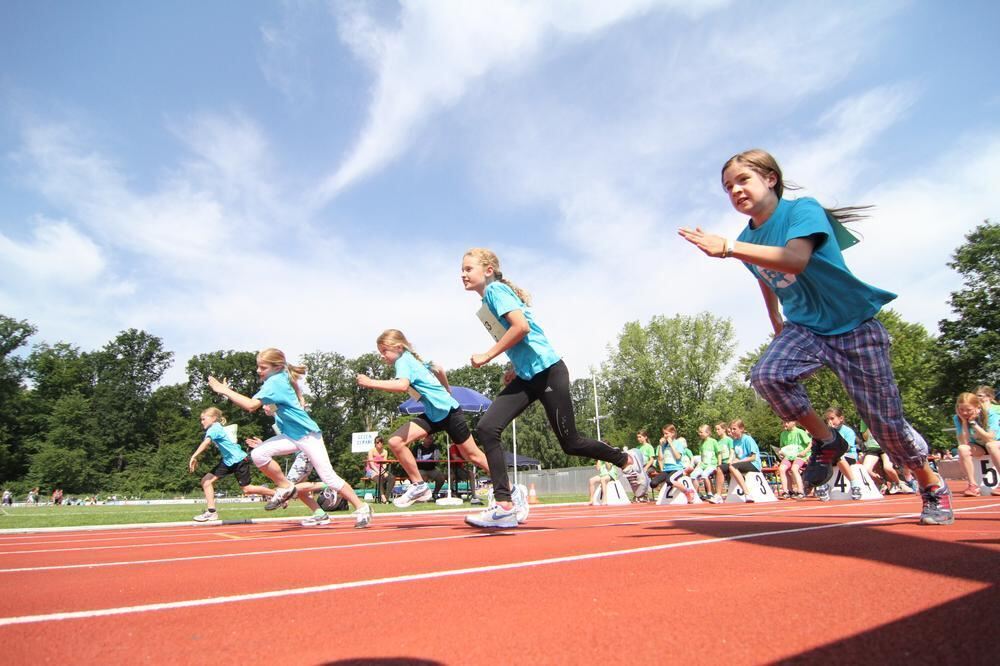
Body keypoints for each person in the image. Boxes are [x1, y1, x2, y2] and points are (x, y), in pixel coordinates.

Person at [678, 149, 953, 525]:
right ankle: (828, 441)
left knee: (887, 427)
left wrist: (727, 247)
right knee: (767, 375)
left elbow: (794, 260)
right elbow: (765, 275)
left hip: (854, 326)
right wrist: (774, 316)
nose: (735, 191)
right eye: (728, 187)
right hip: (806, 327)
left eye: (743, 180)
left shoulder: (802, 210)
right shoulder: (747, 239)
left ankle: (931, 484)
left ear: (770, 178)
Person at [461, 248, 647, 528]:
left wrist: (487, 355)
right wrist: (514, 367)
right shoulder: (489, 302)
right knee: (488, 427)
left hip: (548, 372)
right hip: (528, 376)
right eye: (461, 270)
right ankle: (504, 504)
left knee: (570, 442)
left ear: (487, 270)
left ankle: (625, 460)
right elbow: (524, 338)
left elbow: (521, 327)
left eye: (468, 269)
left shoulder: (495, 291)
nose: (462, 275)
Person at [207, 347, 371, 528]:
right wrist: (299, 397)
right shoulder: (281, 375)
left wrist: (224, 390)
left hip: (308, 435)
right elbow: (292, 383)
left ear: (276, 367)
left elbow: (251, 405)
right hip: (291, 435)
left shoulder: (274, 382)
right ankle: (286, 486)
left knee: (329, 477)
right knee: (258, 454)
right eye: (258, 367)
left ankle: (362, 507)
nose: (258, 371)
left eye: (263, 368)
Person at [356, 329, 491, 510]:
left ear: (397, 347)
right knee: (396, 442)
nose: (382, 356)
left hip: (449, 413)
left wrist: (370, 382)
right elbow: (439, 368)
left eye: (384, 351)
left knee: (472, 455)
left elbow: (402, 385)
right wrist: (446, 388)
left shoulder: (403, 361)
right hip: (434, 415)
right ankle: (419, 486)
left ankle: (507, 486)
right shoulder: (414, 359)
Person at [188, 406, 278, 522]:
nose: (202, 422)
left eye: (204, 419)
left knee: (247, 489)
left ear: (214, 418)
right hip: (228, 461)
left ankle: (277, 493)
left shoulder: (214, 429)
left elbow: (206, 443)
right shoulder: (217, 427)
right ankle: (211, 512)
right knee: (206, 481)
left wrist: (194, 456)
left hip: (239, 459)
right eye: (201, 419)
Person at [954, 392, 1000, 497]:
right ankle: (972, 485)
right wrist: (964, 423)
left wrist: (973, 424)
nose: (965, 413)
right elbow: (964, 442)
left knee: (991, 446)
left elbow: (990, 438)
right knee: (962, 449)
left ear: (977, 407)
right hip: (979, 447)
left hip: (996, 443)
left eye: (968, 410)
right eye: (961, 409)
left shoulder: (991, 414)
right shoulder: (958, 418)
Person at [858, 420, 910, 494]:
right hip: (872, 449)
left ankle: (900, 484)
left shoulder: (882, 417)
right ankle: (882, 483)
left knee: (887, 468)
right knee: (865, 470)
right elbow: (865, 437)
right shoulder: (864, 420)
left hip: (885, 448)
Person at [821, 408, 862, 501]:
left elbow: (847, 448)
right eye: (827, 419)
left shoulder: (848, 431)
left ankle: (854, 484)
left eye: (832, 418)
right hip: (833, 456)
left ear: (841, 419)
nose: (829, 421)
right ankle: (824, 485)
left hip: (849, 455)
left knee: (839, 456)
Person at [650, 424, 696, 502]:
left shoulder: (678, 443)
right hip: (666, 469)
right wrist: (660, 446)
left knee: (669, 480)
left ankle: (688, 491)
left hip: (677, 468)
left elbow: (678, 457)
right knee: (653, 483)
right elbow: (660, 459)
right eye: (663, 434)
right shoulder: (664, 445)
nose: (664, 436)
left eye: (666, 433)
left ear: (673, 433)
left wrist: (671, 444)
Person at [727, 420, 762, 502]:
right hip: (742, 463)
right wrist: (735, 460)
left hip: (753, 464)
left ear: (741, 429)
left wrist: (738, 461)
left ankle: (747, 493)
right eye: (731, 429)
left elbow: (753, 457)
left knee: (732, 467)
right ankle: (718, 495)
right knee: (720, 468)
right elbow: (739, 457)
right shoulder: (734, 441)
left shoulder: (748, 439)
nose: (732, 431)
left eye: (734, 429)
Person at [777, 420, 810, 499]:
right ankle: (787, 491)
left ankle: (800, 491)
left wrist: (804, 452)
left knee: (794, 469)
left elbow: (810, 443)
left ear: (794, 422)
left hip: (800, 456)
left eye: (787, 422)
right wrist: (781, 453)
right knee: (781, 469)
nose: (785, 424)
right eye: (783, 422)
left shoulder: (800, 432)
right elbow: (782, 447)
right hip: (789, 456)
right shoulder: (783, 434)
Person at [690, 424, 721, 503]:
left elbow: (719, 453)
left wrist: (719, 465)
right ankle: (697, 493)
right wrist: (698, 465)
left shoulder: (713, 441)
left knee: (704, 475)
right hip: (703, 464)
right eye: (699, 432)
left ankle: (710, 493)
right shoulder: (701, 443)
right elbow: (701, 456)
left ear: (708, 433)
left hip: (712, 464)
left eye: (701, 432)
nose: (699, 434)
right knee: (693, 475)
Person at [413, 434, 447, 499]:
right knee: (424, 478)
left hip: (432, 469)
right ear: (424, 439)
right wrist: (428, 457)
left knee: (441, 478)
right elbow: (413, 458)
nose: (430, 440)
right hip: (420, 469)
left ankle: (435, 493)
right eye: (428, 438)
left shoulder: (435, 447)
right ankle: (422, 496)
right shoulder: (417, 447)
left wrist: (433, 458)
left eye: (431, 439)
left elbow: (436, 459)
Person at [365, 435, 395, 503]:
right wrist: (378, 471)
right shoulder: (371, 451)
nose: (379, 444)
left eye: (381, 442)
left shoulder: (385, 452)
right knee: (379, 479)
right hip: (370, 470)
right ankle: (383, 498)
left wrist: (383, 471)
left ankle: (386, 497)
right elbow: (371, 464)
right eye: (377, 442)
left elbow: (384, 464)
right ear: (375, 443)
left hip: (381, 470)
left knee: (392, 478)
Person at [714, 422, 733, 498]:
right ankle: (719, 494)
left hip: (729, 461)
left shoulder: (729, 440)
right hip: (722, 463)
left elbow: (731, 450)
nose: (716, 431)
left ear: (724, 429)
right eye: (716, 429)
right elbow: (718, 454)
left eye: (718, 429)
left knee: (731, 478)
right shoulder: (718, 442)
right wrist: (719, 464)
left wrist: (730, 461)